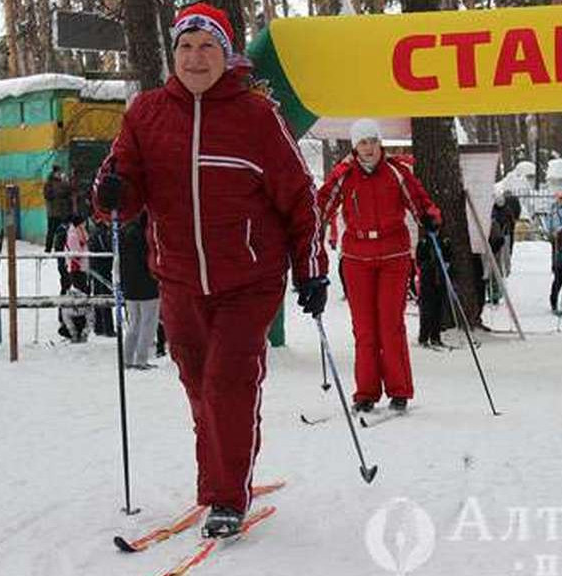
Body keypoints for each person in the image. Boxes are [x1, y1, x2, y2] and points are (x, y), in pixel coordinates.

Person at [92, 2, 328, 540]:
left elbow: (299, 197)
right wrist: (112, 191)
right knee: (199, 384)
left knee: (227, 382)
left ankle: (227, 496)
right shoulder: (145, 114)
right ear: (173, 53)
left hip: (248, 280)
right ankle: (217, 477)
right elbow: (119, 190)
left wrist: (311, 269)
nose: (196, 58)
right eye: (186, 47)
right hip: (177, 277)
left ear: (226, 54)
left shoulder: (257, 116)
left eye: (207, 47)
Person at [317, 118, 442, 414]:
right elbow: (322, 205)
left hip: (393, 256)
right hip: (357, 258)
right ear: (355, 147)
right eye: (363, 142)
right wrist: (307, 225)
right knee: (364, 328)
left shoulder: (397, 172)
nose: (369, 148)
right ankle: (366, 392)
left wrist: (429, 217)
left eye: (373, 141)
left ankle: (399, 390)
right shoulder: (344, 175)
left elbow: (419, 201)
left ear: (379, 143)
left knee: (390, 325)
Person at [122, 212, 161, 369]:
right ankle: (141, 359)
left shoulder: (125, 233)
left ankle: (127, 358)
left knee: (134, 323)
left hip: (131, 287)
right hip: (148, 286)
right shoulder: (148, 236)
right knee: (148, 323)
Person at [416, 233, 449, 349]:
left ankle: (436, 336)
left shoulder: (443, 239)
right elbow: (419, 259)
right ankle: (423, 337)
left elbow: (447, 256)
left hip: (439, 279)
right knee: (426, 309)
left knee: (438, 309)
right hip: (427, 279)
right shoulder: (425, 240)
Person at [88, 219, 115, 337]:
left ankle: (99, 327)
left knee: (98, 296)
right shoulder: (103, 232)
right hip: (103, 268)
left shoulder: (95, 231)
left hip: (96, 267)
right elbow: (108, 247)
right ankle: (108, 328)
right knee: (105, 297)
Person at [43, 166, 73, 252]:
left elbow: (68, 192)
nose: (60, 174)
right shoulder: (49, 183)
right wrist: (59, 193)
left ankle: (59, 248)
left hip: (61, 212)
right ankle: (48, 249)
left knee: (61, 232)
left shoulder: (62, 183)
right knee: (51, 232)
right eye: (58, 173)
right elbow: (48, 195)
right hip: (53, 212)